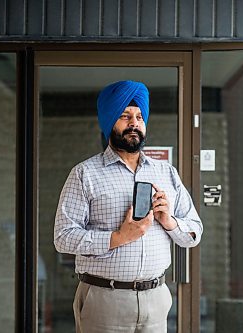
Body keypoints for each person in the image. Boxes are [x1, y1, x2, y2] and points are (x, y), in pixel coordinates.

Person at [54, 80, 203, 333]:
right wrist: (118, 238)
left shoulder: (166, 172)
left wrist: (170, 221)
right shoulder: (84, 173)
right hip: (104, 298)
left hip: (156, 299)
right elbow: (63, 238)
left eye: (139, 117)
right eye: (125, 116)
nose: (134, 123)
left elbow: (194, 233)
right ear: (109, 121)